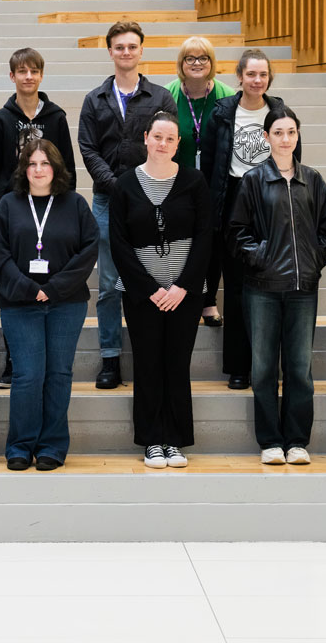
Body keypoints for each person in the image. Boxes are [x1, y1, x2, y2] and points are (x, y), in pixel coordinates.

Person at [228, 107, 326, 466]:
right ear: (266, 137)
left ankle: (297, 441)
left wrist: (314, 260)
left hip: (303, 287)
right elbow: (238, 233)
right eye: (278, 132)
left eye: (291, 132)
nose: (285, 138)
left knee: (300, 367)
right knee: (262, 368)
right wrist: (262, 257)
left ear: (298, 135)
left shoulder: (313, 180)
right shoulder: (254, 181)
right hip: (262, 287)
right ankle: (271, 441)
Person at [109, 111, 211, 468]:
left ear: (178, 144)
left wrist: (182, 286)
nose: (163, 144)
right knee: (149, 364)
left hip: (185, 293)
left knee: (177, 364)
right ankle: (153, 440)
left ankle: (176, 441)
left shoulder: (194, 181)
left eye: (170, 139)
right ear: (146, 139)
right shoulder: (124, 184)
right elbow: (119, 243)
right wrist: (151, 289)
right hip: (142, 294)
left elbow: (204, 238)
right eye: (157, 137)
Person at [78, 21, 174, 390]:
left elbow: (167, 143)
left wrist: (138, 186)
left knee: (152, 277)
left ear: (141, 50)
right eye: (119, 47)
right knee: (108, 284)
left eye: (132, 46)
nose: (126, 52)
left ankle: (150, 354)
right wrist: (117, 186)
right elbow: (87, 148)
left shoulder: (161, 98)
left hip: (153, 199)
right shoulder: (95, 99)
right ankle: (110, 358)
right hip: (107, 200)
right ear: (110, 52)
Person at [0, 139, 97, 471]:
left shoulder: (75, 204)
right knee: (28, 375)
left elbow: (89, 249)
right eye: (32, 164)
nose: (38, 170)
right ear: (24, 169)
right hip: (19, 304)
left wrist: (53, 288)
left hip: (66, 303)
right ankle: (20, 446)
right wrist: (28, 289)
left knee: (58, 374)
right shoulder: (8, 204)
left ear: (56, 168)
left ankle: (52, 445)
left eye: (45, 163)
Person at [201, 49, 302, 391]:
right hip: (233, 201)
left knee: (273, 286)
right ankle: (239, 366)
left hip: (272, 198)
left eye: (263, 75)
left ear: (269, 79)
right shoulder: (222, 112)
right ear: (239, 77)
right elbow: (211, 164)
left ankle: (270, 365)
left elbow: (294, 162)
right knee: (238, 287)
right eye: (251, 74)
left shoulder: (280, 113)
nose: (257, 80)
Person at [0, 47, 77, 388]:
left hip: (50, 215)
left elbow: (66, 166)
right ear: (12, 77)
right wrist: (0, 212)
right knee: (15, 287)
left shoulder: (56, 118)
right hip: (16, 217)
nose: (28, 76)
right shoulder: (0, 119)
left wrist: (63, 209)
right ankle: (14, 362)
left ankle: (47, 363)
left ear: (41, 75)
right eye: (21, 71)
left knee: (47, 288)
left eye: (33, 70)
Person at [165, 35, 234, 328]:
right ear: (182, 64)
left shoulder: (226, 95)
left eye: (203, 58)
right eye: (190, 58)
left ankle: (208, 302)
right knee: (183, 240)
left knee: (214, 241)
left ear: (211, 63)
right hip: (178, 181)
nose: (196, 63)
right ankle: (186, 297)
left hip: (215, 181)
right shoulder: (168, 95)